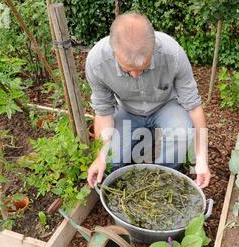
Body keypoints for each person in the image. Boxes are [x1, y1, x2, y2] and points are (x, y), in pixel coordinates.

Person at [85, 12, 211, 189]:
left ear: (154, 48)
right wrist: (100, 157)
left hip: (165, 105)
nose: (135, 75)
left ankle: (165, 175)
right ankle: (144, 139)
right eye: (128, 70)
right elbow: (103, 112)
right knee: (113, 159)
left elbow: (194, 107)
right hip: (126, 110)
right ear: (114, 53)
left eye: (143, 69)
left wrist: (201, 160)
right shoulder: (97, 62)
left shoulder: (172, 54)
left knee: (181, 134)